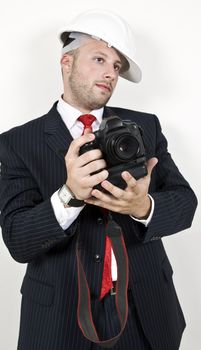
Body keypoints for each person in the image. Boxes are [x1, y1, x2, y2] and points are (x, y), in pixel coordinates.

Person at [0, 9, 197, 350]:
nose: (110, 73)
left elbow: (185, 203)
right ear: (67, 61)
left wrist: (144, 207)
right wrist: (69, 194)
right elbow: (18, 240)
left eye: (117, 66)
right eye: (99, 59)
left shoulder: (145, 127)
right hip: (58, 320)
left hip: (145, 314)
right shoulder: (16, 143)